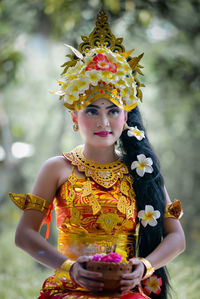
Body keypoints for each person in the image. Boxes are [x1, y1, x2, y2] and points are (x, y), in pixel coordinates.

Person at [9, 10, 185, 299]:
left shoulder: (142, 170)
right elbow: (24, 235)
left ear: (125, 117)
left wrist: (144, 266)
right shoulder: (57, 169)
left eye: (113, 110)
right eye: (92, 110)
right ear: (74, 116)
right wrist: (69, 268)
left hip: (128, 292)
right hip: (67, 290)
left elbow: (177, 238)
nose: (103, 122)